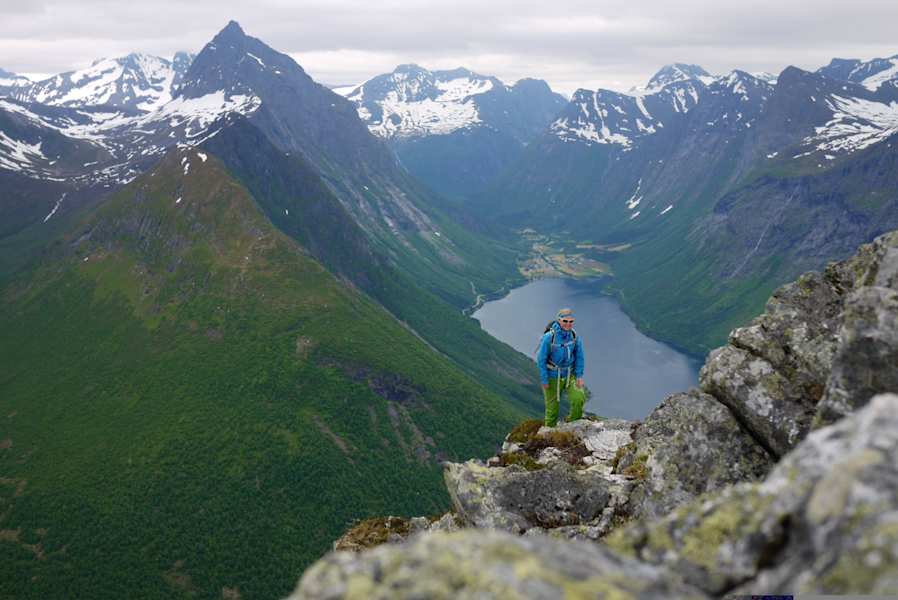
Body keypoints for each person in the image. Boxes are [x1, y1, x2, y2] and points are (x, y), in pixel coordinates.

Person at [536, 308, 585, 427]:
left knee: (578, 398)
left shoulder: (574, 336)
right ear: (558, 320)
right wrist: (544, 379)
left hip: (569, 374)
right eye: (565, 321)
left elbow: (579, 356)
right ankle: (549, 433)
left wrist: (579, 375)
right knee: (552, 409)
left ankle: (574, 425)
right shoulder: (549, 337)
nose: (568, 324)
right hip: (552, 376)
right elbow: (541, 359)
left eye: (571, 321)